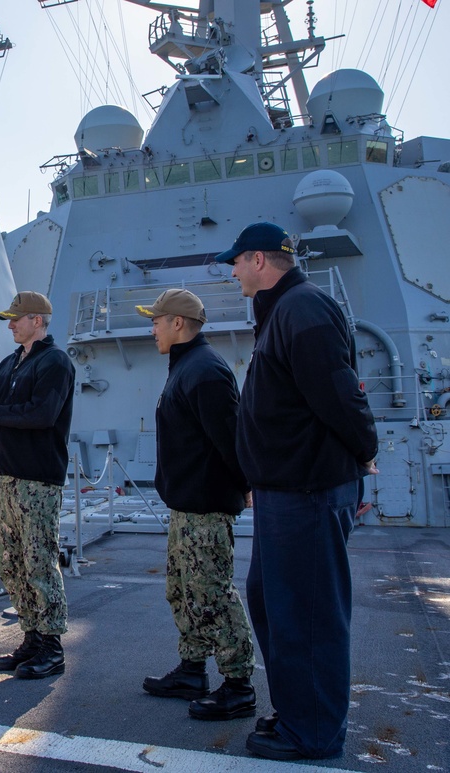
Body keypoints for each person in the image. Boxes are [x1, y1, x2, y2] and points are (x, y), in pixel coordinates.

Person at [214, 222, 378, 760]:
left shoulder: (302, 309)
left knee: (307, 614)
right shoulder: (283, 311)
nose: (231, 270)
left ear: (258, 260)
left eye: (235, 261)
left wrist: (364, 450)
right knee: (274, 605)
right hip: (285, 490)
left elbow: (338, 394)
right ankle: (298, 710)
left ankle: (312, 733)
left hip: (308, 490)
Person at [135, 289, 256, 720]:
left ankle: (238, 685)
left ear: (178, 324)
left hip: (205, 507)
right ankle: (191, 670)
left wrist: (243, 484)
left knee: (212, 595)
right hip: (187, 507)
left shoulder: (204, 371)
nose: (151, 328)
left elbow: (230, 438)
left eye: (156, 320)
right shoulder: (186, 367)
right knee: (184, 592)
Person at [0, 291, 74, 679]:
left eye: (16, 319)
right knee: (12, 563)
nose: (10, 325)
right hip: (8, 477)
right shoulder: (9, 364)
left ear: (37, 320)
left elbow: (42, 413)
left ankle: (51, 646)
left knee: (40, 561)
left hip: (38, 480)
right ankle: (31, 637)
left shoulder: (55, 362)